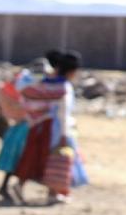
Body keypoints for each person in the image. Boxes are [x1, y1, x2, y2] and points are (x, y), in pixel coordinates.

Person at [14, 50, 88, 205]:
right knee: (57, 159)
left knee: (36, 158)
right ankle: (53, 193)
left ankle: (22, 186)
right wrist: (63, 135)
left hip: (39, 126)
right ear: (72, 71)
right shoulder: (63, 87)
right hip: (55, 129)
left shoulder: (46, 83)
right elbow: (63, 113)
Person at [0, 56, 54, 205]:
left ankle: (8, 186)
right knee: (24, 158)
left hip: (22, 125)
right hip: (29, 127)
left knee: (16, 159)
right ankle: (17, 186)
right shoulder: (32, 84)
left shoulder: (21, 81)